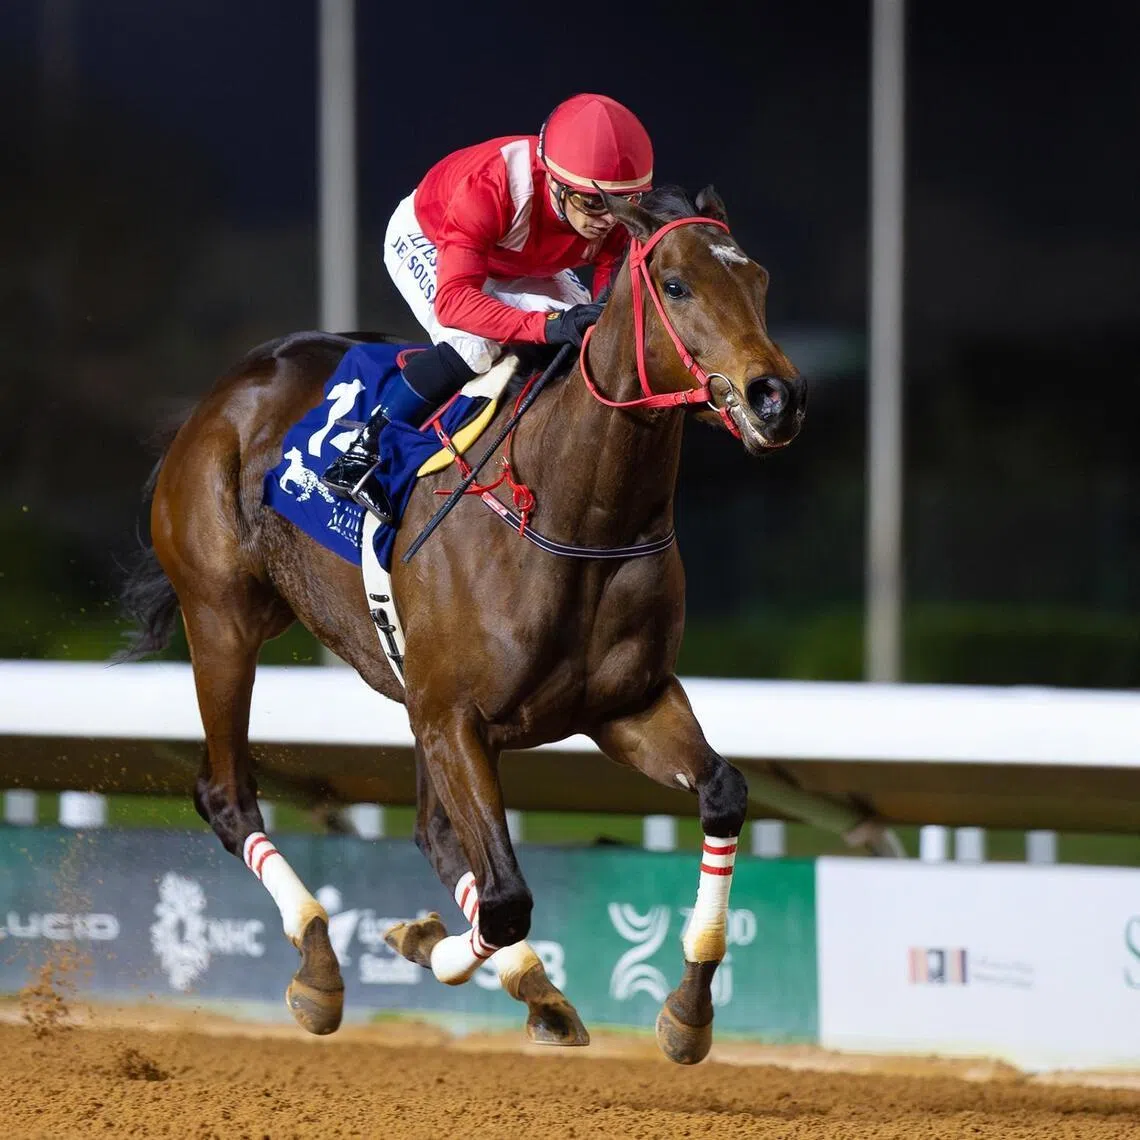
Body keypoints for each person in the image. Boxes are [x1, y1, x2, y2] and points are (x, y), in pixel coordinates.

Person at [321, 92, 654, 522]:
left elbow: (610, 296)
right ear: (554, 181)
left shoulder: (605, 212)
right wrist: (548, 324)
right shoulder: (491, 186)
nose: (609, 220)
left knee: (587, 341)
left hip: (520, 257)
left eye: (626, 203)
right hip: (433, 236)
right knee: (475, 345)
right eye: (594, 203)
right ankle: (364, 451)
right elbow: (454, 303)